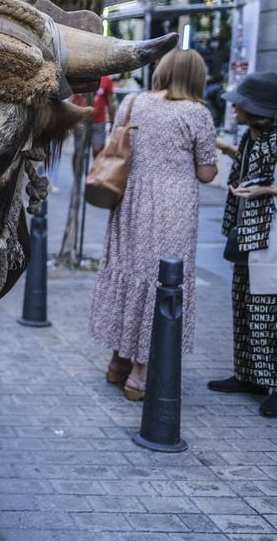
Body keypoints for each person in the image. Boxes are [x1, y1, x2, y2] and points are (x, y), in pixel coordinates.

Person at [90, 49, 218, 401]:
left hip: (130, 201)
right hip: (172, 207)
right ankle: (141, 374)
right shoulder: (196, 113)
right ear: (196, 78)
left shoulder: (134, 101)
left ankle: (117, 363)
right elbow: (206, 173)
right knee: (164, 283)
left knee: (131, 274)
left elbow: (119, 143)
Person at [208, 72, 277, 418]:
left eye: (239, 103)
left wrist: (269, 190)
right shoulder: (252, 136)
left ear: (254, 109)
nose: (233, 107)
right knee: (244, 311)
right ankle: (251, 376)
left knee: (272, 318)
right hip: (250, 240)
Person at [92, 73, 117, 157]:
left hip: (99, 121)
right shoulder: (81, 76)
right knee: (79, 151)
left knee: (98, 150)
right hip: (83, 122)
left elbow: (111, 102)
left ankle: (96, 169)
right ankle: (78, 170)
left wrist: (112, 121)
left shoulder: (106, 80)